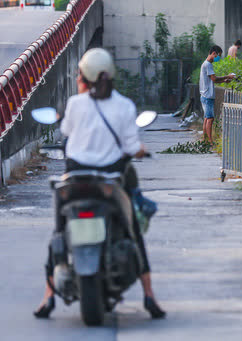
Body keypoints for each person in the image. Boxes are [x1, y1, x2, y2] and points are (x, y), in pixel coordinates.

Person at [33, 48, 166, 319]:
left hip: (75, 181)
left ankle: (47, 299)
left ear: (84, 75)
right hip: (109, 183)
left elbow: (67, 134)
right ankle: (149, 297)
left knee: (58, 232)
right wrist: (141, 150)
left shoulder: (75, 104)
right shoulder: (124, 106)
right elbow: (130, 147)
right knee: (133, 232)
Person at [199, 45, 234, 144]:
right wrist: (228, 76)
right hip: (208, 96)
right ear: (214, 53)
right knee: (210, 119)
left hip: (204, 95)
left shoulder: (205, 64)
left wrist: (224, 80)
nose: (218, 58)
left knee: (207, 118)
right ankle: (210, 142)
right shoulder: (208, 65)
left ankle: (205, 140)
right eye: (218, 55)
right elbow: (214, 78)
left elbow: (212, 79)